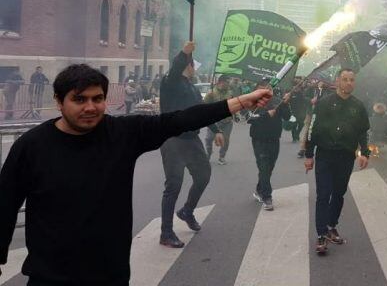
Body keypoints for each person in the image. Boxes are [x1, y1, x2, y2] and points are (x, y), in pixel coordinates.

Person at [0, 63, 272, 285]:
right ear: (59, 101)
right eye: (79, 99)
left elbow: (181, 119)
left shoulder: (122, 134)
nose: (90, 107)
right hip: (51, 278)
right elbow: (4, 206)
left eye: (98, 99)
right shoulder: (31, 146)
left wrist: (240, 102)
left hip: (110, 275)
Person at [158, 42, 225, 248]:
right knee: (174, 185)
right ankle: (166, 233)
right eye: (194, 66)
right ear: (189, 66)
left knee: (204, 175)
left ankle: (187, 210)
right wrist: (184, 53)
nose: (196, 70)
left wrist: (216, 130)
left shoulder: (193, 89)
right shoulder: (170, 83)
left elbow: (202, 112)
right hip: (172, 139)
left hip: (192, 139)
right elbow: (175, 68)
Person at [304, 69, 370, 255]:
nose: (349, 83)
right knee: (323, 195)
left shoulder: (358, 106)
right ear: (338, 81)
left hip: (346, 156)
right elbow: (312, 130)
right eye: (345, 79)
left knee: (339, 194)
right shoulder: (324, 103)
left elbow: (362, 131)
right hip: (325, 155)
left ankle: (332, 225)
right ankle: (321, 235)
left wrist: (364, 153)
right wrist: (309, 155)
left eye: (352, 80)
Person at [248, 78, 292, 211]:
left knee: (269, 168)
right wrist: (266, 114)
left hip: (274, 139)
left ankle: (259, 189)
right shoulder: (252, 102)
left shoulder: (278, 101)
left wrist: (285, 104)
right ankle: (267, 197)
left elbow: (287, 117)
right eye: (262, 88)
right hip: (259, 140)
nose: (266, 91)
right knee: (264, 167)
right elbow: (249, 118)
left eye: (268, 88)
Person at [203, 75, 235, 165]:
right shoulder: (211, 92)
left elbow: (234, 104)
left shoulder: (230, 93)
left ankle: (222, 156)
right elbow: (204, 105)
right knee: (209, 139)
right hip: (214, 121)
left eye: (228, 82)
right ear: (221, 82)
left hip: (227, 121)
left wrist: (236, 113)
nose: (228, 84)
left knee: (225, 140)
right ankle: (208, 153)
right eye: (227, 82)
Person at [298, 80, 331, 158]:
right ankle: (302, 148)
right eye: (320, 80)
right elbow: (303, 97)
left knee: (321, 131)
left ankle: (321, 149)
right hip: (311, 113)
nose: (321, 82)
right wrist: (310, 100)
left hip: (322, 114)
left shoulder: (328, 90)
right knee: (307, 130)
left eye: (323, 80)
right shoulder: (311, 88)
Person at [288, 77, 309, 144]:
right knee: (293, 124)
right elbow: (287, 101)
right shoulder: (291, 93)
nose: (296, 88)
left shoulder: (302, 92)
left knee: (301, 124)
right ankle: (294, 137)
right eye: (295, 87)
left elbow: (305, 99)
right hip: (293, 111)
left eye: (297, 87)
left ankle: (297, 134)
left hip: (302, 111)